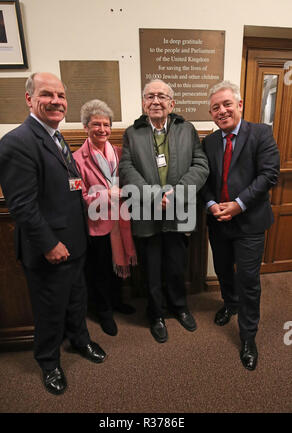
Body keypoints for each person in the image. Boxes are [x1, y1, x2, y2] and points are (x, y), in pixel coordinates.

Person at [0, 72, 106, 395]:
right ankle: (48, 362)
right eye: (47, 94)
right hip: (49, 249)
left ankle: (80, 341)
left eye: (60, 95)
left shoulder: (57, 137)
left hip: (74, 243)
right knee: (49, 310)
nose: (56, 101)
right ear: (29, 99)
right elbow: (22, 206)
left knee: (75, 301)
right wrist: (50, 244)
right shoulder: (18, 142)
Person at [119, 79, 209, 343]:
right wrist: (151, 195)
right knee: (152, 269)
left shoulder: (187, 129)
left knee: (176, 266)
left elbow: (201, 165)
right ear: (143, 102)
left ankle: (180, 308)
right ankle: (156, 314)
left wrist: (177, 193)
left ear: (172, 103)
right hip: (147, 213)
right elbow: (126, 168)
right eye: (150, 96)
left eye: (161, 96)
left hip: (178, 211)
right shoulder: (131, 133)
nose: (155, 101)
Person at [202, 80, 280, 370]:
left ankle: (248, 336)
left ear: (240, 105)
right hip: (219, 221)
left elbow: (269, 175)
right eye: (215, 108)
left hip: (249, 222)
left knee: (248, 280)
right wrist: (212, 205)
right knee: (223, 270)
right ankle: (229, 304)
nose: (222, 111)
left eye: (226, 104)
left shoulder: (261, 133)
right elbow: (205, 181)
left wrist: (238, 205)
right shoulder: (209, 142)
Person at [73, 99, 136, 336]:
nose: (102, 129)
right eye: (96, 124)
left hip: (122, 221)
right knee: (100, 270)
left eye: (106, 124)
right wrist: (106, 193)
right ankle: (104, 311)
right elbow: (79, 197)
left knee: (118, 264)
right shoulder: (77, 159)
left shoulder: (119, 153)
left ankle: (117, 301)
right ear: (86, 127)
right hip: (98, 223)